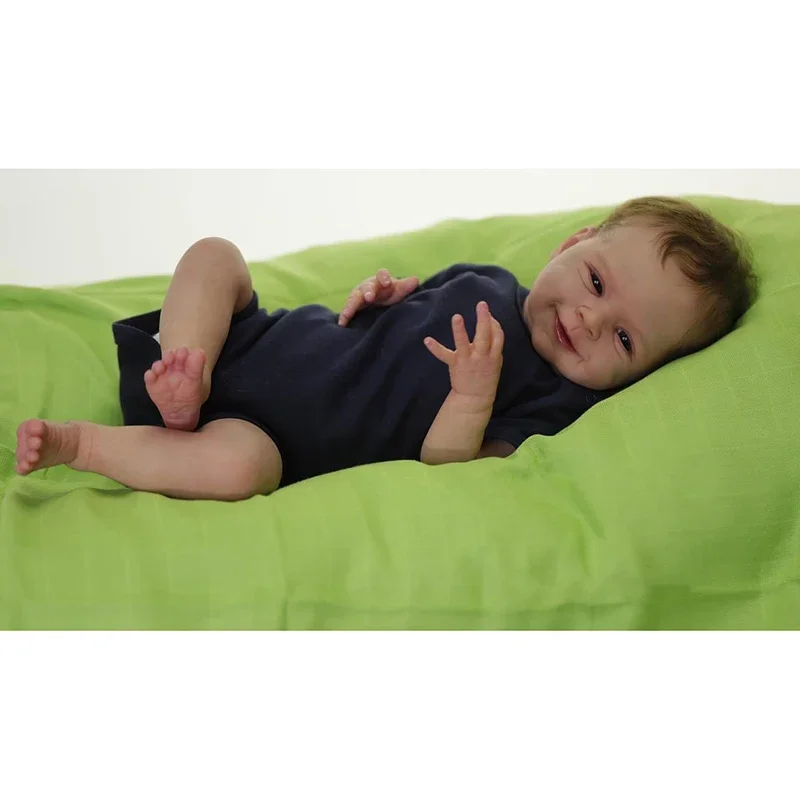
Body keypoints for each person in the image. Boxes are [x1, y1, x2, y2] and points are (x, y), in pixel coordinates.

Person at [15, 197, 757, 500]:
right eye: (595, 281)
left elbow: (449, 468)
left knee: (240, 471)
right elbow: (410, 300)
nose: (591, 321)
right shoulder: (489, 278)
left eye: (625, 338)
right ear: (572, 244)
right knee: (215, 256)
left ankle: (87, 445)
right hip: (258, 341)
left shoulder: (555, 403)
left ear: (642, 374)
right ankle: (187, 364)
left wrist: (471, 397)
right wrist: (381, 291)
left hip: (267, 436)